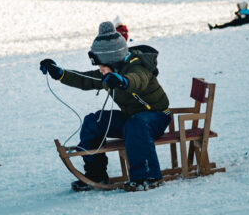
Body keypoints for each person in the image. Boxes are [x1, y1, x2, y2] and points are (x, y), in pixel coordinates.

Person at [39, 21, 170, 192]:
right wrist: (60, 73)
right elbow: (85, 79)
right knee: (93, 121)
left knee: (136, 124)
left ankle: (147, 176)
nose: (99, 69)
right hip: (132, 118)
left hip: (156, 117)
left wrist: (123, 81)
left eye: (101, 65)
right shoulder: (108, 71)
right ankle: (95, 173)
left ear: (112, 59)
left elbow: (138, 79)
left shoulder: (138, 65)